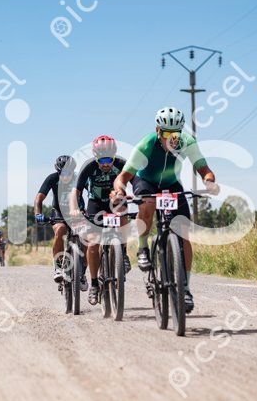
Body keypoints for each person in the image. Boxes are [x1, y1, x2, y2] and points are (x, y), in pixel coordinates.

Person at [112, 107, 219, 313]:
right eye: (167, 133)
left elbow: (204, 169)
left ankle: (185, 288)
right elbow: (123, 177)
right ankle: (143, 248)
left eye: (175, 133)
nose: (171, 138)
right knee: (148, 203)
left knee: (184, 234)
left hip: (171, 184)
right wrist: (119, 191)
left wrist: (209, 182)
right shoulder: (147, 144)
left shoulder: (187, 142)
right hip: (145, 181)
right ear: (158, 131)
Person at [70, 135, 131, 305]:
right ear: (96, 157)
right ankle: (95, 284)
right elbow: (76, 191)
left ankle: (123, 254)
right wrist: (75, 208)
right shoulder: (89, 167)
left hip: (116, 201)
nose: (105, 164)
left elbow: (137, 181)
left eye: (109, 160)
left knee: (124, 215)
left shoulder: (122, 164)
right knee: (93, 243)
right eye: (102, 160)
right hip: (95, 204)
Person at [34, 155, 77, 282]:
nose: (66, 176)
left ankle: (82, 272)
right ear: (58, 171)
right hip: (59, 212)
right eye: (63, 173)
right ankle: (58, 267)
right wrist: (38, 214)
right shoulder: (52, 178)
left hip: (76, 212)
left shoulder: (78, 178)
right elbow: (39, 198)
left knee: (86, 237)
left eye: (69, 173)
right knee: (60, 230)